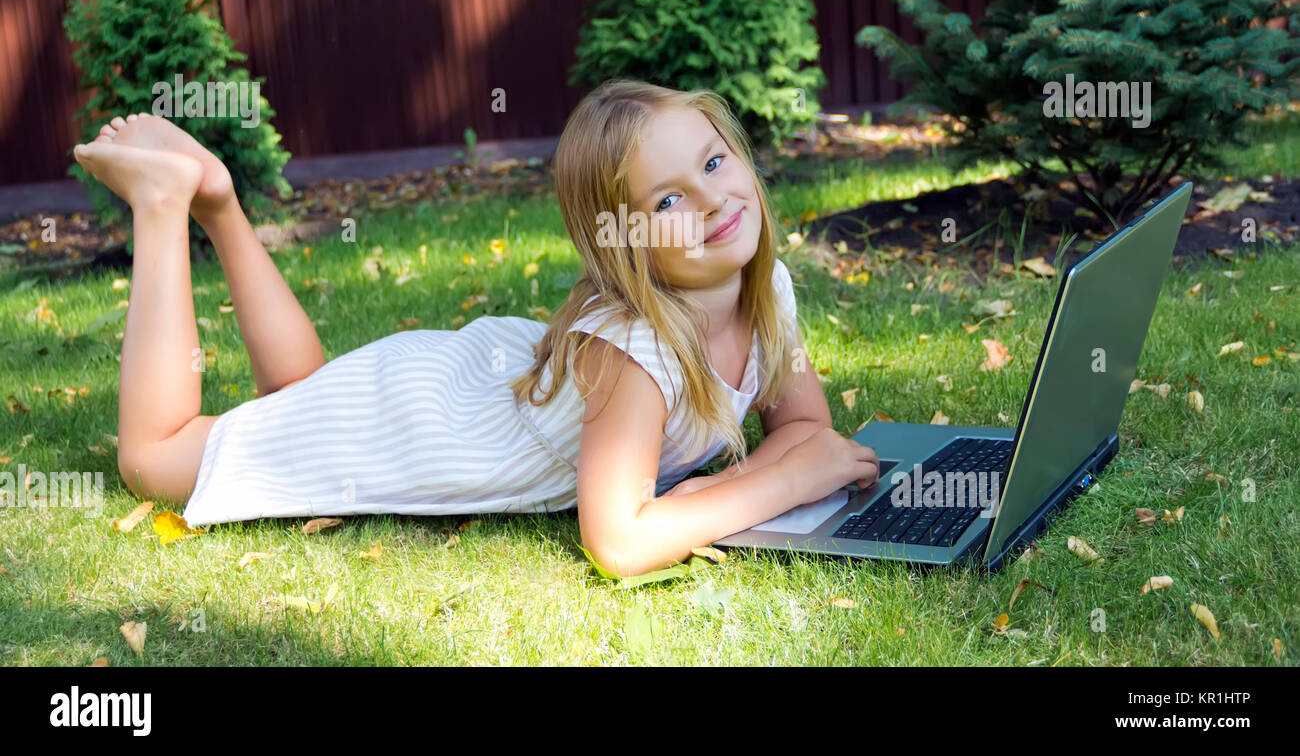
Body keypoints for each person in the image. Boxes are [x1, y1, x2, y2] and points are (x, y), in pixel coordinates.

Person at [71, 78, 880, 576]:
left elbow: (805, 425)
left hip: (472, 383)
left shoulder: (764, 286)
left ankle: (220, 200)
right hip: (425, 421)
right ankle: (165, 205)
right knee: (156, 455)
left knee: (302, 395)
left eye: (712, 163)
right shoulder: (635, 354)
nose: (712, 200)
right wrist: (778, 485)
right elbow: (620, 541)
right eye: (667, 199)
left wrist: (732, 486)